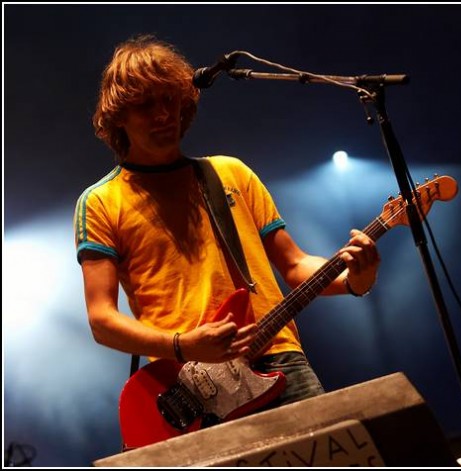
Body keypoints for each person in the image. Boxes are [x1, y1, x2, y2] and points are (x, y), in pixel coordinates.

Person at [73, 35, 380, 418]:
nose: (163, 114)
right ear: (118, 114)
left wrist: (355, 280)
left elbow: (295, 265)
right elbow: (102, 319)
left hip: (279, 357)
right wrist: (183, 345)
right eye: (145, 105)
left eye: (169, 98)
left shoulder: (230, 172)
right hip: (192, 387)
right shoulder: (102, 201)